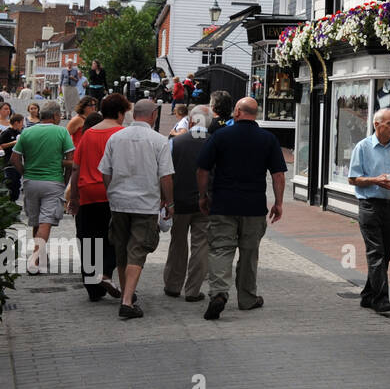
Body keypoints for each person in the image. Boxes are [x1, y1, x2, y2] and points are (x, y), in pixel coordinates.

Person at [195, 97, 286, 320]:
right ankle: (247, 298)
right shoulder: (268, 139)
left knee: (220, 250)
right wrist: (279, 202)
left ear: (237, 112)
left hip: (223, 204)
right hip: (254, 206)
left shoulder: (220, 136)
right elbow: (279, 175)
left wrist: (203, 196)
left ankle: (218, 293)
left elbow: (202, 170)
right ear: (256, 114)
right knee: (249, 253)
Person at [98, 98, 174, 318]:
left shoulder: (116, 137)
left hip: (119, 202)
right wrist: (169, 202)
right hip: (145, 203)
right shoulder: (159, 140)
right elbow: (166, 176)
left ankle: (125, 294)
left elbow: (105, 171)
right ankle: (128, 301)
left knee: (122, 249)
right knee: (137, 250)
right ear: (153, 115)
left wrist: (111, 191)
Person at [347, 108, 390, 314]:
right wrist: (377, 180)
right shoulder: (363, 147)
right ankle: (381, 299)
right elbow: (353, 178)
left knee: (386, 253)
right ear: (377, 125)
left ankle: (368, 294)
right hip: (370, 206)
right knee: (376, 252)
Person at [68, 93, 127, 301]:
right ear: (120, 113)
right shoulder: (121, 134)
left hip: (87, 192)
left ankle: (93, 288)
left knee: (88, 238)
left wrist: (73, 197)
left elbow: (75, 168)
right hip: (112, 193)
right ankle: (106, 273)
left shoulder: (88, 135)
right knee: (112, 237)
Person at [12, 101, 74, 273]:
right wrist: (65, 180)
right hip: (53, 182)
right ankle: (34, 259)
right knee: (46, 220)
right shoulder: (61, 131)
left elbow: (14, 159)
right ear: (55, 116)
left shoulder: (27, 131)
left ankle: (40, 258)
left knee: (37, 221)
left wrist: (25, 173)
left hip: (31, 182)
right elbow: (71, 160)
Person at [163, 105, 211, 302]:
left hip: (180, 201)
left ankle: (173, 285)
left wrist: (166, 200)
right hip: (206, 202)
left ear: (191, 121)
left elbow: (166, 172)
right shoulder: (213, 142)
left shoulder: (177, 142)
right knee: (201, 245)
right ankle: (193, 290)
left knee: (178, 243)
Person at [1, 115, 24, 203]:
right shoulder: (6, 133)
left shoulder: (20, 132)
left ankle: (13, 201)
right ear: (16, 123)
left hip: (18, 162)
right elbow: (1, 145)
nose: (23, 125)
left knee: (17, 184)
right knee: (10, 182)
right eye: (21, 123)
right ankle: (9, 201)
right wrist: (13, 143)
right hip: (8, 162)